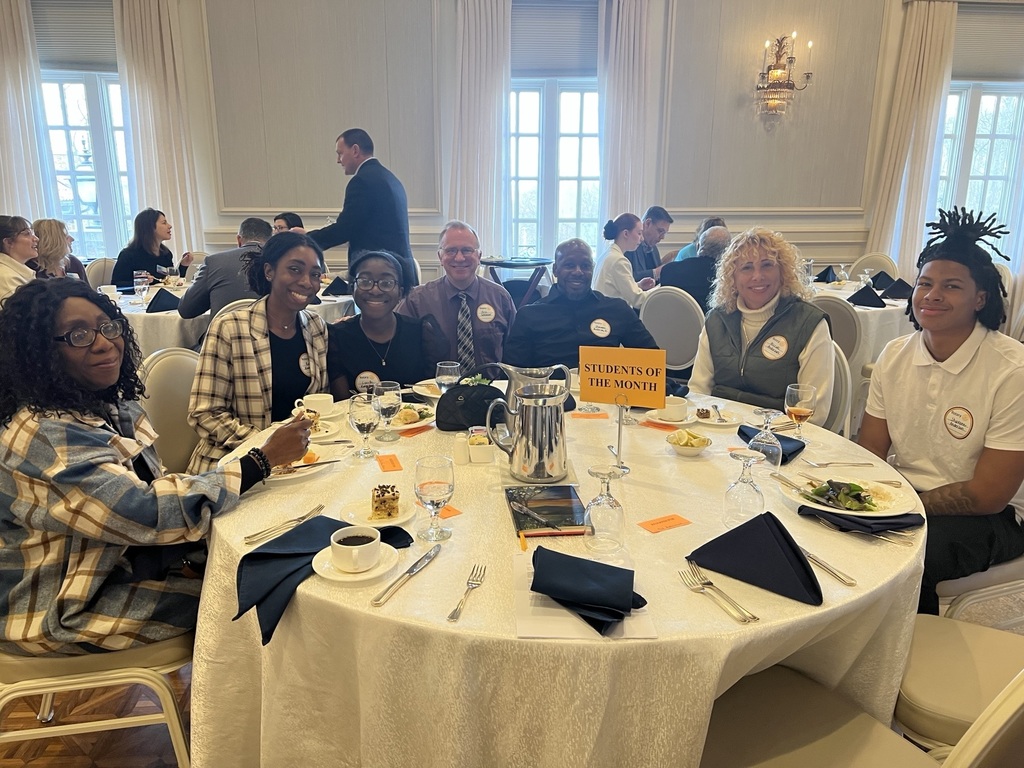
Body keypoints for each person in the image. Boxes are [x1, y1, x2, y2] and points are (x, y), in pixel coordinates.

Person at [0, 278, 312, 655]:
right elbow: (146, 512)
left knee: (264, 563)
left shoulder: (106, 406)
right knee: (261, 596)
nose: (103, 343)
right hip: (61, 606)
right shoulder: (47, 435)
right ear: (38, 352)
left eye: (107, 326)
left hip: (119, 565)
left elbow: (153, 489)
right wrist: (260, 461)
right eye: (78, 335)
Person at [858, 208, 1024, 615]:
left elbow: (988, 495)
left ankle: (907, 650)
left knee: (906, 553)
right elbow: (871, 451)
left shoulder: (1011, 370)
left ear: (980, 298)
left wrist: (899, 508)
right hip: (904, 495)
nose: (932, 295)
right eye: (925, 283)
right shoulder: (894, 355)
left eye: (951, 286)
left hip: (998, 517)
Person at [187, 231, 329, 473]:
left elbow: (318, 403)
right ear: (269, 271)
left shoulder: (316, 327)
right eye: (295, 270)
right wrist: (268, 447)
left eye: (315, 274)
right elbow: (205, 413)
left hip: (299, 463)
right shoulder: (230, 328)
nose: (307, 282)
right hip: (234, 464)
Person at [688, 227, 833, 422]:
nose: (757, 276)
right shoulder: (717, 320)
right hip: (719, 428)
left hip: (779, 434)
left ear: (783, 271)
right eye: (747, 268)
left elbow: (814, 413)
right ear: (732, 277)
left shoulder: (809, 323)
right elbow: (698, 391)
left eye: (767, 265)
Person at [503, 238, 658, 369]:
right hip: (549, 394)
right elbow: (512, 374)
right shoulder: (529, 316)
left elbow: (652, 361)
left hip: (603, 394)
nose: (578, 271)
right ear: (555, 270)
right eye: (569, 265)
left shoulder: (618, 310)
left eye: (585, 266)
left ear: (592, 269)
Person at [305, 129, 418, 292]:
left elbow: (344, 229)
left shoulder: (362, 181)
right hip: (399, 271)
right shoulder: (390, 178)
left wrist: (305, 240)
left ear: (355, 150)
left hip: (378, 276)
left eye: (340, 153)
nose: (338, 160)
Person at [327, 250, 447, 397]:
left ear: (401, 292)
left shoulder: (422, 333)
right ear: (353, 289)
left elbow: (433, 394)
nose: (375, 290)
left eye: (387, 283)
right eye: (365, 281)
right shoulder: (337, 337)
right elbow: (341, 403)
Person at [399, 220, 515, 371]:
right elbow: (400, 352)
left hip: (491, 385)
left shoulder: (500, 298)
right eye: (451, 250)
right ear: (440, 257)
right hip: (433, 385)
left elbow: (514, 353)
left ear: (479, 256)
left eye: (467, 250)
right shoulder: (416, 301)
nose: (459, 258)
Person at [178, 217, 272, 318]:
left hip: (223, 327)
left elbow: (186, 310)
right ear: (270, 241)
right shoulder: (279, 262)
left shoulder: (214, 261)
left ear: (239, 239)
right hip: (269, 327)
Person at [112, 208, 193, 288]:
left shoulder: (165, 253)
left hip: (162, 295)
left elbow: (171, 282)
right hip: (140, 296)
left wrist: (183, 265)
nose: (170, 226)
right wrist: (140, 282)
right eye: (164, 223)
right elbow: (116, 285)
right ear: (150, 227)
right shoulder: (128, 255)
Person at [659, 225, 731, 313]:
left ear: (698, 247)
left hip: (670, 320)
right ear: (727, 251)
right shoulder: (728, 278)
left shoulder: (668, 270)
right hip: (710, 322)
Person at [593, 213, 656, 310]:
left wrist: (638, 285)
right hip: (612, 315)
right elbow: (638, 300)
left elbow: (613, 289)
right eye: (639, 233)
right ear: (626, 233)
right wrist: (659, 291)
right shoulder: (619, 261)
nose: (642, 238)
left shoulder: (607, 254)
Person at [30, 219, 89, 283]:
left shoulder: (73, 263)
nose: (72, 239)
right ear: (51, 241)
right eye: (66, 236)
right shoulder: (31, 270)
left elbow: (87, 289)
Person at [624, 206, 673, 282]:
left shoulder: (654, 249)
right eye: (660, 231)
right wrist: (655, 273)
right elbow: (626, 277)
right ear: (648, 223)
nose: (662, 237)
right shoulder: (630, 244)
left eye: (664, 233)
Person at [0, 215, 39, 303]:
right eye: (27, 234)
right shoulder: (7, 279)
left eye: (33, 233)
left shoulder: (14, 272)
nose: (36, 239)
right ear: (8, 242)